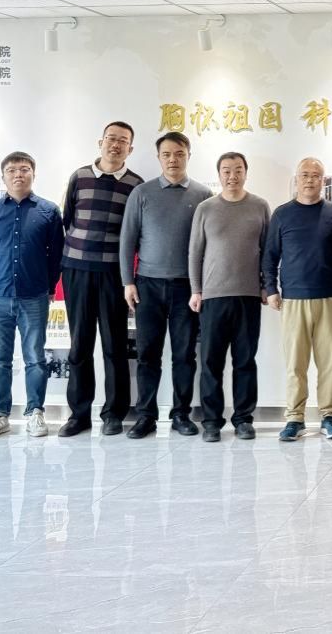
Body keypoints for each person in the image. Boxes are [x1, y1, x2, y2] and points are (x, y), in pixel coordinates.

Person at [120, 131, 212, 438]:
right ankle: (146, 415)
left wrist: (202, 287)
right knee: (148, 354)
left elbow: (208, 244)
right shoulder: (142, 193)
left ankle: (181, 414)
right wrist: (128, 282)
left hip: (187, 288)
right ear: (159, 157)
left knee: (184, 355)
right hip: (147, 286)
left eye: (179, 154)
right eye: (167, 154)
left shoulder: (202, 194)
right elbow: (127, 240)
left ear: (189, 156)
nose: (173, 160)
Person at [58, 121, 144, 437]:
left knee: (114, 345)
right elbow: (68, 218)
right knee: (79, 344)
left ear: (130, 148)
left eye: (123, 141)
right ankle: (79, 415)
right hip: (77, 269)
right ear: (100, 142)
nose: (115, 145)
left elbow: (135, 231)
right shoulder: (79, 176)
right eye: (111, 138)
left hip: (113, 273)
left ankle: (114, 414)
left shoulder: (136, 184)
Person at [0, 151, 65, 440]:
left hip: (34, 296)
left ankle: (35, 412)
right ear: (3, 177)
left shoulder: (48, 211)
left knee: (35, 358)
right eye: (11, 170)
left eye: (24, 169)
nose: (18, 174)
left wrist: (49, 287)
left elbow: (56, 255)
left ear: (33, 174)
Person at [263, 157, 332, 442]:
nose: (310, 180)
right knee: (295, 365)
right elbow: (270, 256)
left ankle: (329, 417)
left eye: (315, 175)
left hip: (327, 298)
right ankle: (295, 419)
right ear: (296, 179)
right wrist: (271, 289)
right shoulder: (282, 214)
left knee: (329, 364)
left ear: (323, 181)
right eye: (305, 175)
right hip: (293, 300)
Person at [188, 152, 270, 442]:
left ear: (246, 172)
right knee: (211, 362)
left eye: (238, 170)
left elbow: (267, 251)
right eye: (226, 171)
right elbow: (194, 252)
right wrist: (196, 290)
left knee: (245, 361)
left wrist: (266, 286)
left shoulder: (260, 206)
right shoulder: (206, 208)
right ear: (219, 174)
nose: (232, 176)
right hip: (213, 296)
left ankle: (244, 419)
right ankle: (211, 422)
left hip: (248, 295)